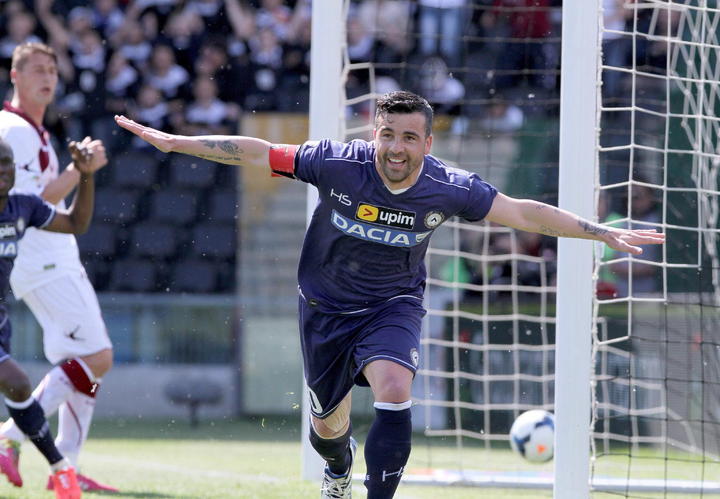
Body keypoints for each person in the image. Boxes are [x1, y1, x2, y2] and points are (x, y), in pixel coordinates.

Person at [114, 91, 665, 499]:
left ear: (427, 142)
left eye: (409, 137)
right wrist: (176, 143)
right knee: (328, 429)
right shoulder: (336, 163)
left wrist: (598, 231)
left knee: (396, 388)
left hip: (392, 305)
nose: (396, 148)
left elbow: (520, 212)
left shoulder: (449, 188)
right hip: (325, 309)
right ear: (373, 134)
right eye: (387, 135)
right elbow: (259, 152)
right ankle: (338, 467)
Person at [0, 42, 116, 493]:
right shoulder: (14, 130)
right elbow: (27, 204)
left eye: (52, 69)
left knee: (83, 364)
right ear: (15, 75)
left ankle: (69, 460)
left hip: (51, 255)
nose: (47, 77)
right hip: (41, 258)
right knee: (98, 357)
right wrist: (81, 169)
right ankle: (12, 435)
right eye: (37, 70)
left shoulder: (35, 130)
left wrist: (79, 170)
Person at [0, 135, 97, 499]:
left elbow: (76, 224)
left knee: (17, 389)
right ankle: (60, 468)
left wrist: (85, 175)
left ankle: (58, 467)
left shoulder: (22, 206)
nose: (1, 170)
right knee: (18, 383)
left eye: (6, 163)